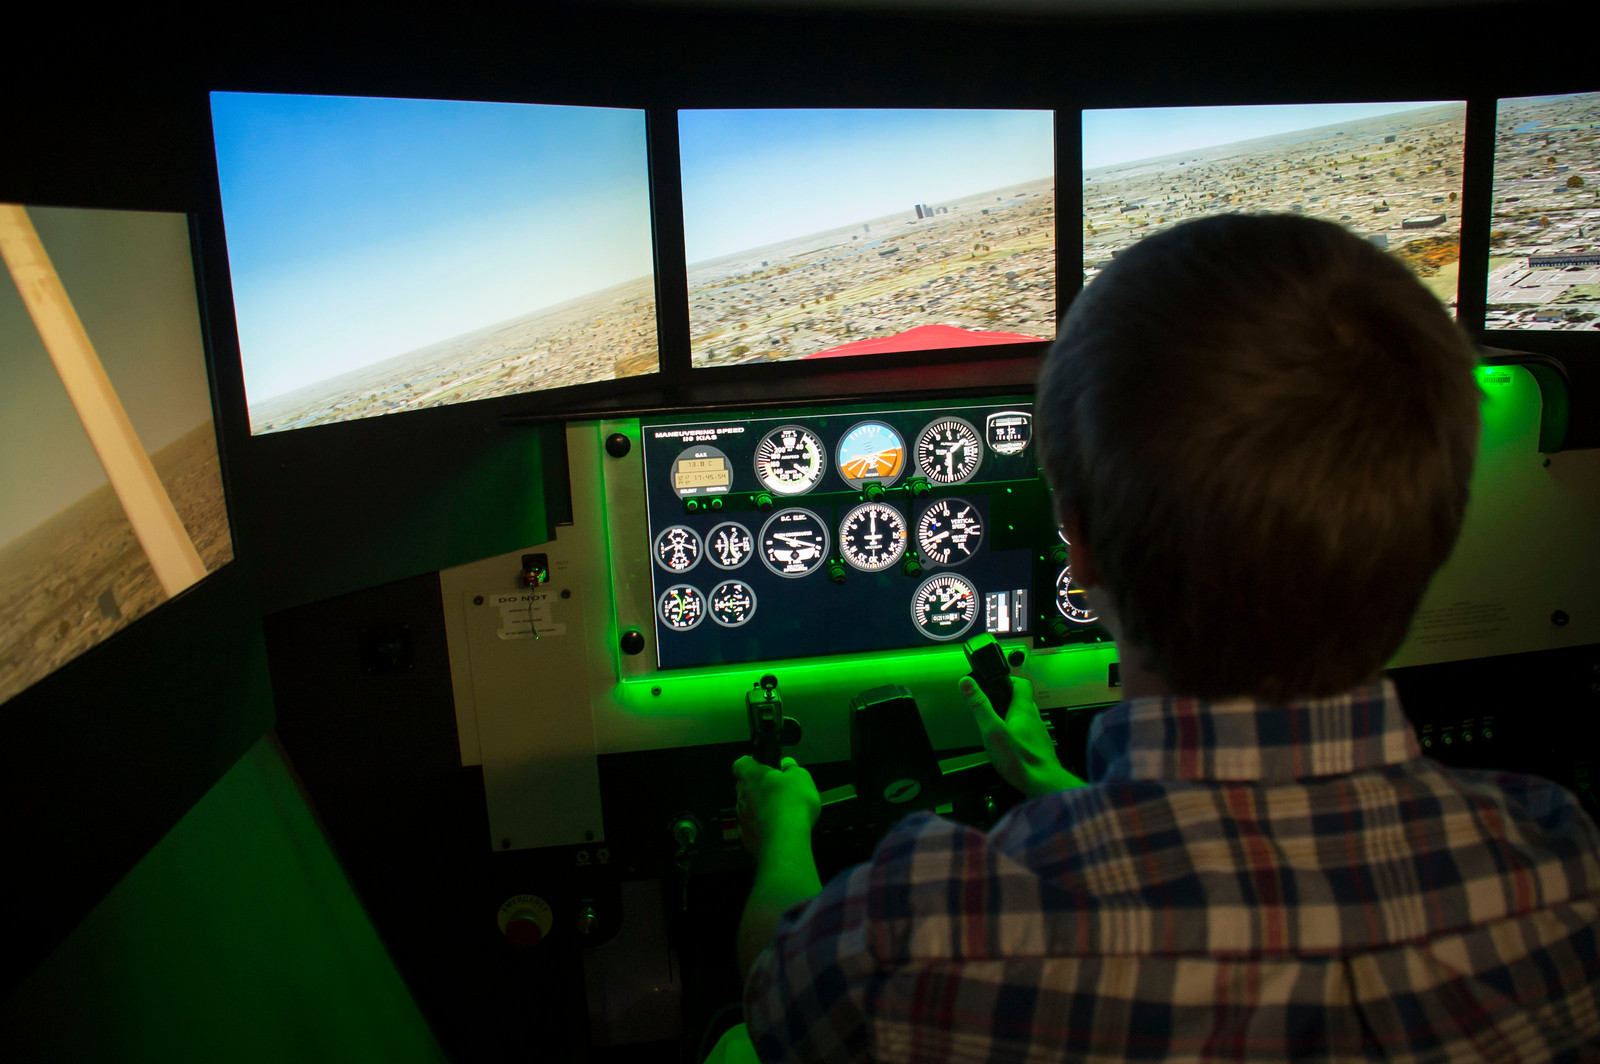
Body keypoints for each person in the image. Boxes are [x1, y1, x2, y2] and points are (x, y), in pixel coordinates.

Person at [725, 213, 1600, 1063]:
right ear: (1438, 537)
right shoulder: (1561, 861)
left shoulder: (932, 932)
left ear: (1081, 547)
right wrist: (1050, 780)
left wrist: (784, 829)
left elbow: (781, 988)